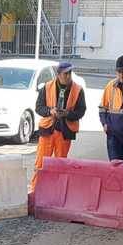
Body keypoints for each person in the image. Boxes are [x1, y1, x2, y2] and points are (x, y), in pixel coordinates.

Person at [31, 61, 87, 192]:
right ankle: (35, 191)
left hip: (64, 131)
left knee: (60, 165)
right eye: (65, 74)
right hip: (48, 130)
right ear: (58, 74)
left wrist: (68, 114)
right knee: (41, 163)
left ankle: (57, 193)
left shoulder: (78, 89)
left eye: (70, 73)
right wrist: (50, 111)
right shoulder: (47, 87)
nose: (68, 76)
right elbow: (38, 107)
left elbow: (81, 111)